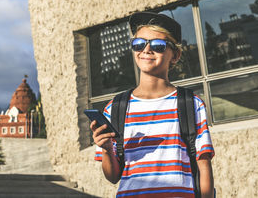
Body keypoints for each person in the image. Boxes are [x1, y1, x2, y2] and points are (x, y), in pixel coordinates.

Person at [90, 12, 215, 198]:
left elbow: (203, 165)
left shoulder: (191, 104)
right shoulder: (115, 108)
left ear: (175, 55)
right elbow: (112, 176)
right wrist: (107, 149)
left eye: (157, 45)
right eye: (139, 44)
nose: (146, 50)